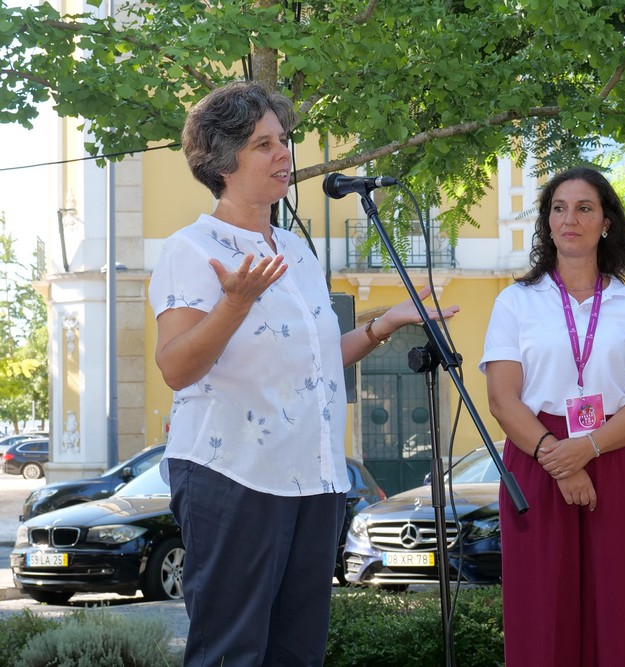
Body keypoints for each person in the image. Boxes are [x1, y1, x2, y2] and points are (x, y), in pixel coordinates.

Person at [148, 80, 458, 666]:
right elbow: (175, 368)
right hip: (233, 475)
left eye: (284, 140)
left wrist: (381, 326)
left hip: (312, 479)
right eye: (264, 144)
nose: (284, 154)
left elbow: (313, 363)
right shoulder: (191, 249)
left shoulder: (295, 250)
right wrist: (234, 304)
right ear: (221, 160)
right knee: (231, 652)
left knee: (299, 653)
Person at [480, 167, 625, 666]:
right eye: (559, 208)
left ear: (606, 222)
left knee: (620, 608)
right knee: (542, 609)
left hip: (617, 452)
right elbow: (503, 399)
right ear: (547, 222)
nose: (571, 219)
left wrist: (585, 449)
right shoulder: (515, 302)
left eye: (585, 208)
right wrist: (557, 458)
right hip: (536, 456)